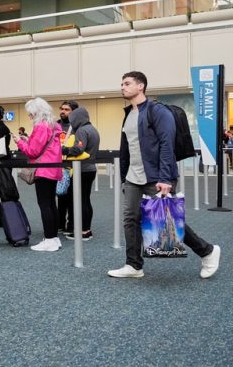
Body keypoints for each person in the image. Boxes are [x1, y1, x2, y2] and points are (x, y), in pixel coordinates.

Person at [108, 71, 221, 279]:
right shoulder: (129, 114)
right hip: (133, 177)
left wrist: (166, 178)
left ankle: (208, 251)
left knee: (168, 220)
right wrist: (124, 177)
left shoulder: (157, 111)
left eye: (127, 83)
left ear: (141, 86)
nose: (122, 87)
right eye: (121, 83)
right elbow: (128, 148)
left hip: (156, 176)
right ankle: (134, 265)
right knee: (130, 220)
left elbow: (167, 145)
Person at [13, 97, 63, 252]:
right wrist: (28, 140)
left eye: (30, 114)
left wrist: (19, 142)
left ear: (36, 112)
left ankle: (49, 239)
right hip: (53, 168)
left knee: (44, 204)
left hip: (43, 169)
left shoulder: (41, 126)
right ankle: (53, 237)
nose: (30, 117)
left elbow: (33, 151)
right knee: (51, 204)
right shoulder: (54, 125)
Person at [61, 107, 100, 240]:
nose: (71, 123)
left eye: (72, 120)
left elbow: (78, 149)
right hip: (91, 169)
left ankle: (83, 231)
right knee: (86, 200)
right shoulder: (93, 129)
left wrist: (64, 150)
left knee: (80, 201)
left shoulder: (82, 130)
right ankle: (86, 229)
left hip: (81, 170)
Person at [57, 100, 79, 234]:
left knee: (72, 198)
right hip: (58, 167)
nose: (63, 111)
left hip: (73, 167)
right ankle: (60, 224)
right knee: (60, 196)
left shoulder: (77, 127)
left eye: (66, 109)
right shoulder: (56, 125)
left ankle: (71, 225)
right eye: (62, 109)